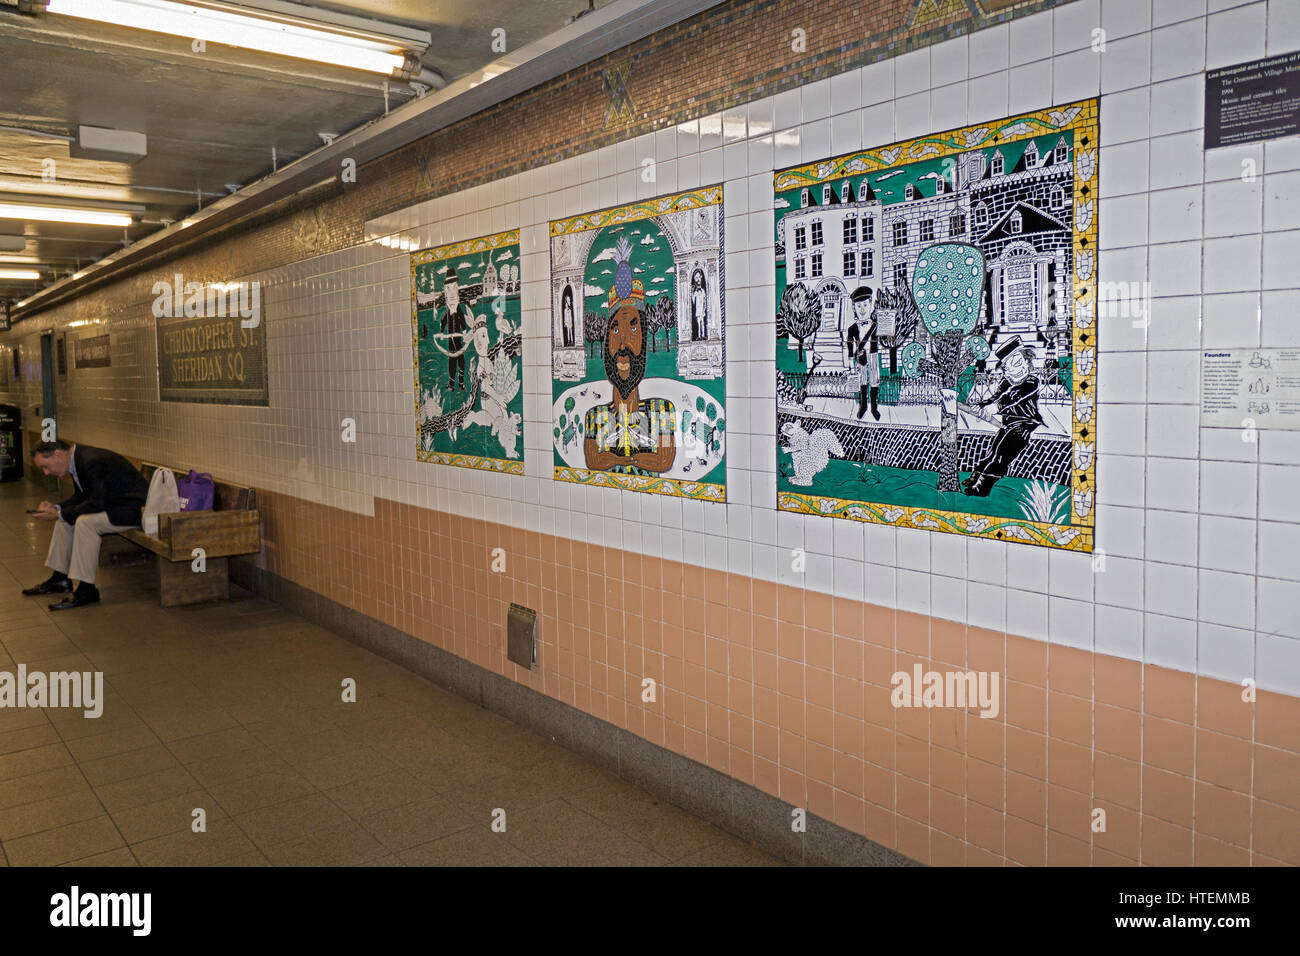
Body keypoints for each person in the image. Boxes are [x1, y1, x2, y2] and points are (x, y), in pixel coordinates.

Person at [583, 236, 676, 475]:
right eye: (615, 330)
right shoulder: (595, 416)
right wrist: (638, 459)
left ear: (644, 340)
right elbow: (592, 460)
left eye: (633, 328)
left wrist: (616, 459)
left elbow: (665, 460)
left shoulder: (662, 411)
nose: (622, 343)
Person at [21, 440, 149, 610]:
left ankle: (86, 590)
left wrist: (60, 513)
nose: (45, 473)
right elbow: (82, 497)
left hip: (135, 510)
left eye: (45, 466)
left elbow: (97, 503)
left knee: (84, 523)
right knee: (64, 521)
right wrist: (57, 508)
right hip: (115, 506)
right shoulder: (78, 460)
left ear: (58, 454)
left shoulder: (91, 461)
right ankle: (60, 579)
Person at [963, 336, 1044, 497]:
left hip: (1024, 425)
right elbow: (996, 396)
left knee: (1002, 454)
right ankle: (976, 476)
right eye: (1010, 365)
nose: (1017, 368)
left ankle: (983, 486)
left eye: (1019, 362)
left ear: (1026, 361)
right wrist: (983, 405)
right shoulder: (1006, 382)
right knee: (993, 451)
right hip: (1007, 424)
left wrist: (995, 407)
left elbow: (1013, 397)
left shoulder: (1031, 382)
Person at [844, 286, 881, 420]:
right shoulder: (852, 329)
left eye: (865, 305)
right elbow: (849, 348)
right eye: (858, 306)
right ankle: (863, 406)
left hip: (873, 356)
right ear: (854, 308)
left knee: (874, 382)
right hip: (861, 358)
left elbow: (886, 339)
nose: (862, 309)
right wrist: (850, 366)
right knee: (863, 382)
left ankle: (874, 408)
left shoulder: (876, 325)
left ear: (871, 304)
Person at [439, 268, 473, 391]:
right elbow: (443, 321)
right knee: (452, 362)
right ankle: (452, 384)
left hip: (458, 340)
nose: (452, 293)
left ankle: (461, 383)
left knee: (462, 362)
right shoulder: (446, 313)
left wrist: (464, 332)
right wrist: (442, 332)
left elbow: (462, 320)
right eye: (448, 289)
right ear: (445, 293)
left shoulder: (458, 311)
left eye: (454, 288)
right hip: (450, 342)